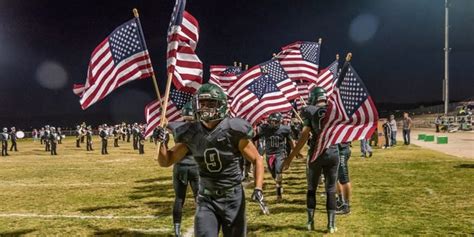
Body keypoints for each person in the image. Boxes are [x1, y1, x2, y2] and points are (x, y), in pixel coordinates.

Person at [156, 84, 269, 237]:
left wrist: (258, 188)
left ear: (221, 105)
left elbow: (257, 159)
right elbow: (166, 161)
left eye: (210, 103)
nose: (205, 108)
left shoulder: (232, 129)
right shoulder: (191, 132)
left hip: (232, 197)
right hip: (206, 198)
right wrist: (162, 143)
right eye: (202, 103)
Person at [283, 87, 340, 233]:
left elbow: (304, 136)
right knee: (331, 189)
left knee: (311, 189)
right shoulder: (334, 110)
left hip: (316, 154)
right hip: (333, 152)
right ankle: (331, 225)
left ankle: (310, 222)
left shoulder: (310, 111)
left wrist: (290, 157)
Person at [167, 102, 200, 236]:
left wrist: (164, 120)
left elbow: (166, 124)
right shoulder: (200, 127)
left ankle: (177, 229)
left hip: (180, 166)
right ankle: (201, 226)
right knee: (199, 198)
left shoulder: (176, 126)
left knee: (179, 199)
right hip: (195, 166)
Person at [253, 112, 295, 201]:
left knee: (278, 171)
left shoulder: (284, 129)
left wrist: (295, 150)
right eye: (271, 121)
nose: (273, 123)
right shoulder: (265, 129)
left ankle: (278, 194)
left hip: (280, 153)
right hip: (269, 154)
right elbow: (256, 137)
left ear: (280, 122)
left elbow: (290, 140)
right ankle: (279, 183)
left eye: (275, 121)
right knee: (273, 174)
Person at [336, 142, 352, 215]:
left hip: (342, 149)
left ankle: (346, 206)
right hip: (335, 150)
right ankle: (340, 200)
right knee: (335, 177)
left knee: (344, 178)